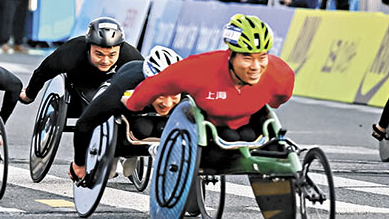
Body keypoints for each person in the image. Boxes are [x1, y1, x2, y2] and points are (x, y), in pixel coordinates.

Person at [124, 14, 294, 147]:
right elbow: (157, 84)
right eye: (247, 58)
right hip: (210, 133)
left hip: (250, 129)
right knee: (226, 137)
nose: (256, 67)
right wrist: (133, 104)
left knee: (254, 134)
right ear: (231, 55)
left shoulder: (280, 74)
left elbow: (278, 100)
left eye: (262, 57)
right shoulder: (201, 68)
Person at [69, 46, 183, 181]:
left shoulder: (188, 90)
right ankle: (118, 154)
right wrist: (79, 164)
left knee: (161, 128)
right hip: (128, 107)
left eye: (174, 94)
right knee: (142, 129)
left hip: (152, 115)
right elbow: (84, 123)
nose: (167, 103)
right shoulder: (122, 88)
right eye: (161, 95)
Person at [19, 17, 144, 127]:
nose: (106, 60)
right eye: (99, 54)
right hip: (81, 89)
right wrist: (29, 95)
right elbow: (42, 72)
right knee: (89, 110)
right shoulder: (72, 51)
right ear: (88, 47)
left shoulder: (130, 56)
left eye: (112, 55)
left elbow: (147, 80)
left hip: (114, 89)